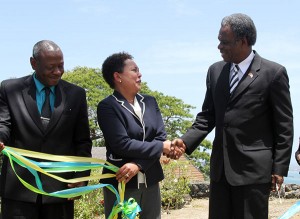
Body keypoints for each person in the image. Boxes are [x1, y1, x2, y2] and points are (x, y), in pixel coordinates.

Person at [172, 13, 293, 219]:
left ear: (243, 41)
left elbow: (284, 126)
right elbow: (207, 116)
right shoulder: (215, 71)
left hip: (253, 172)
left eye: (224, 42)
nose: (219, 46)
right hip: (221, 171)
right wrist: (184, 141)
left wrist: (279, 168)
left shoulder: (273, 73)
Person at [0, 40, 92, 219]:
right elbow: (3, 124)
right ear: (33, 63)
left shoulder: (76, 94)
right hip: (19, 191)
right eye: (51, 67)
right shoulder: (9, 89)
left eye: (61, 65)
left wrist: (82, 176)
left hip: (60, 192)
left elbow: (82, 141)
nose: (57, 71)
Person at [97, 52, 181, 219]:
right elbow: (122, 144)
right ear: (118, 76)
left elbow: (160, 137)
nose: (139, 74)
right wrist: (160, 147)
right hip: (121, 183)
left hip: (151, 180)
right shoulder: (107, 107)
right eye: (134, 70)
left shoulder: (150, 102)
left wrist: (138, 165)